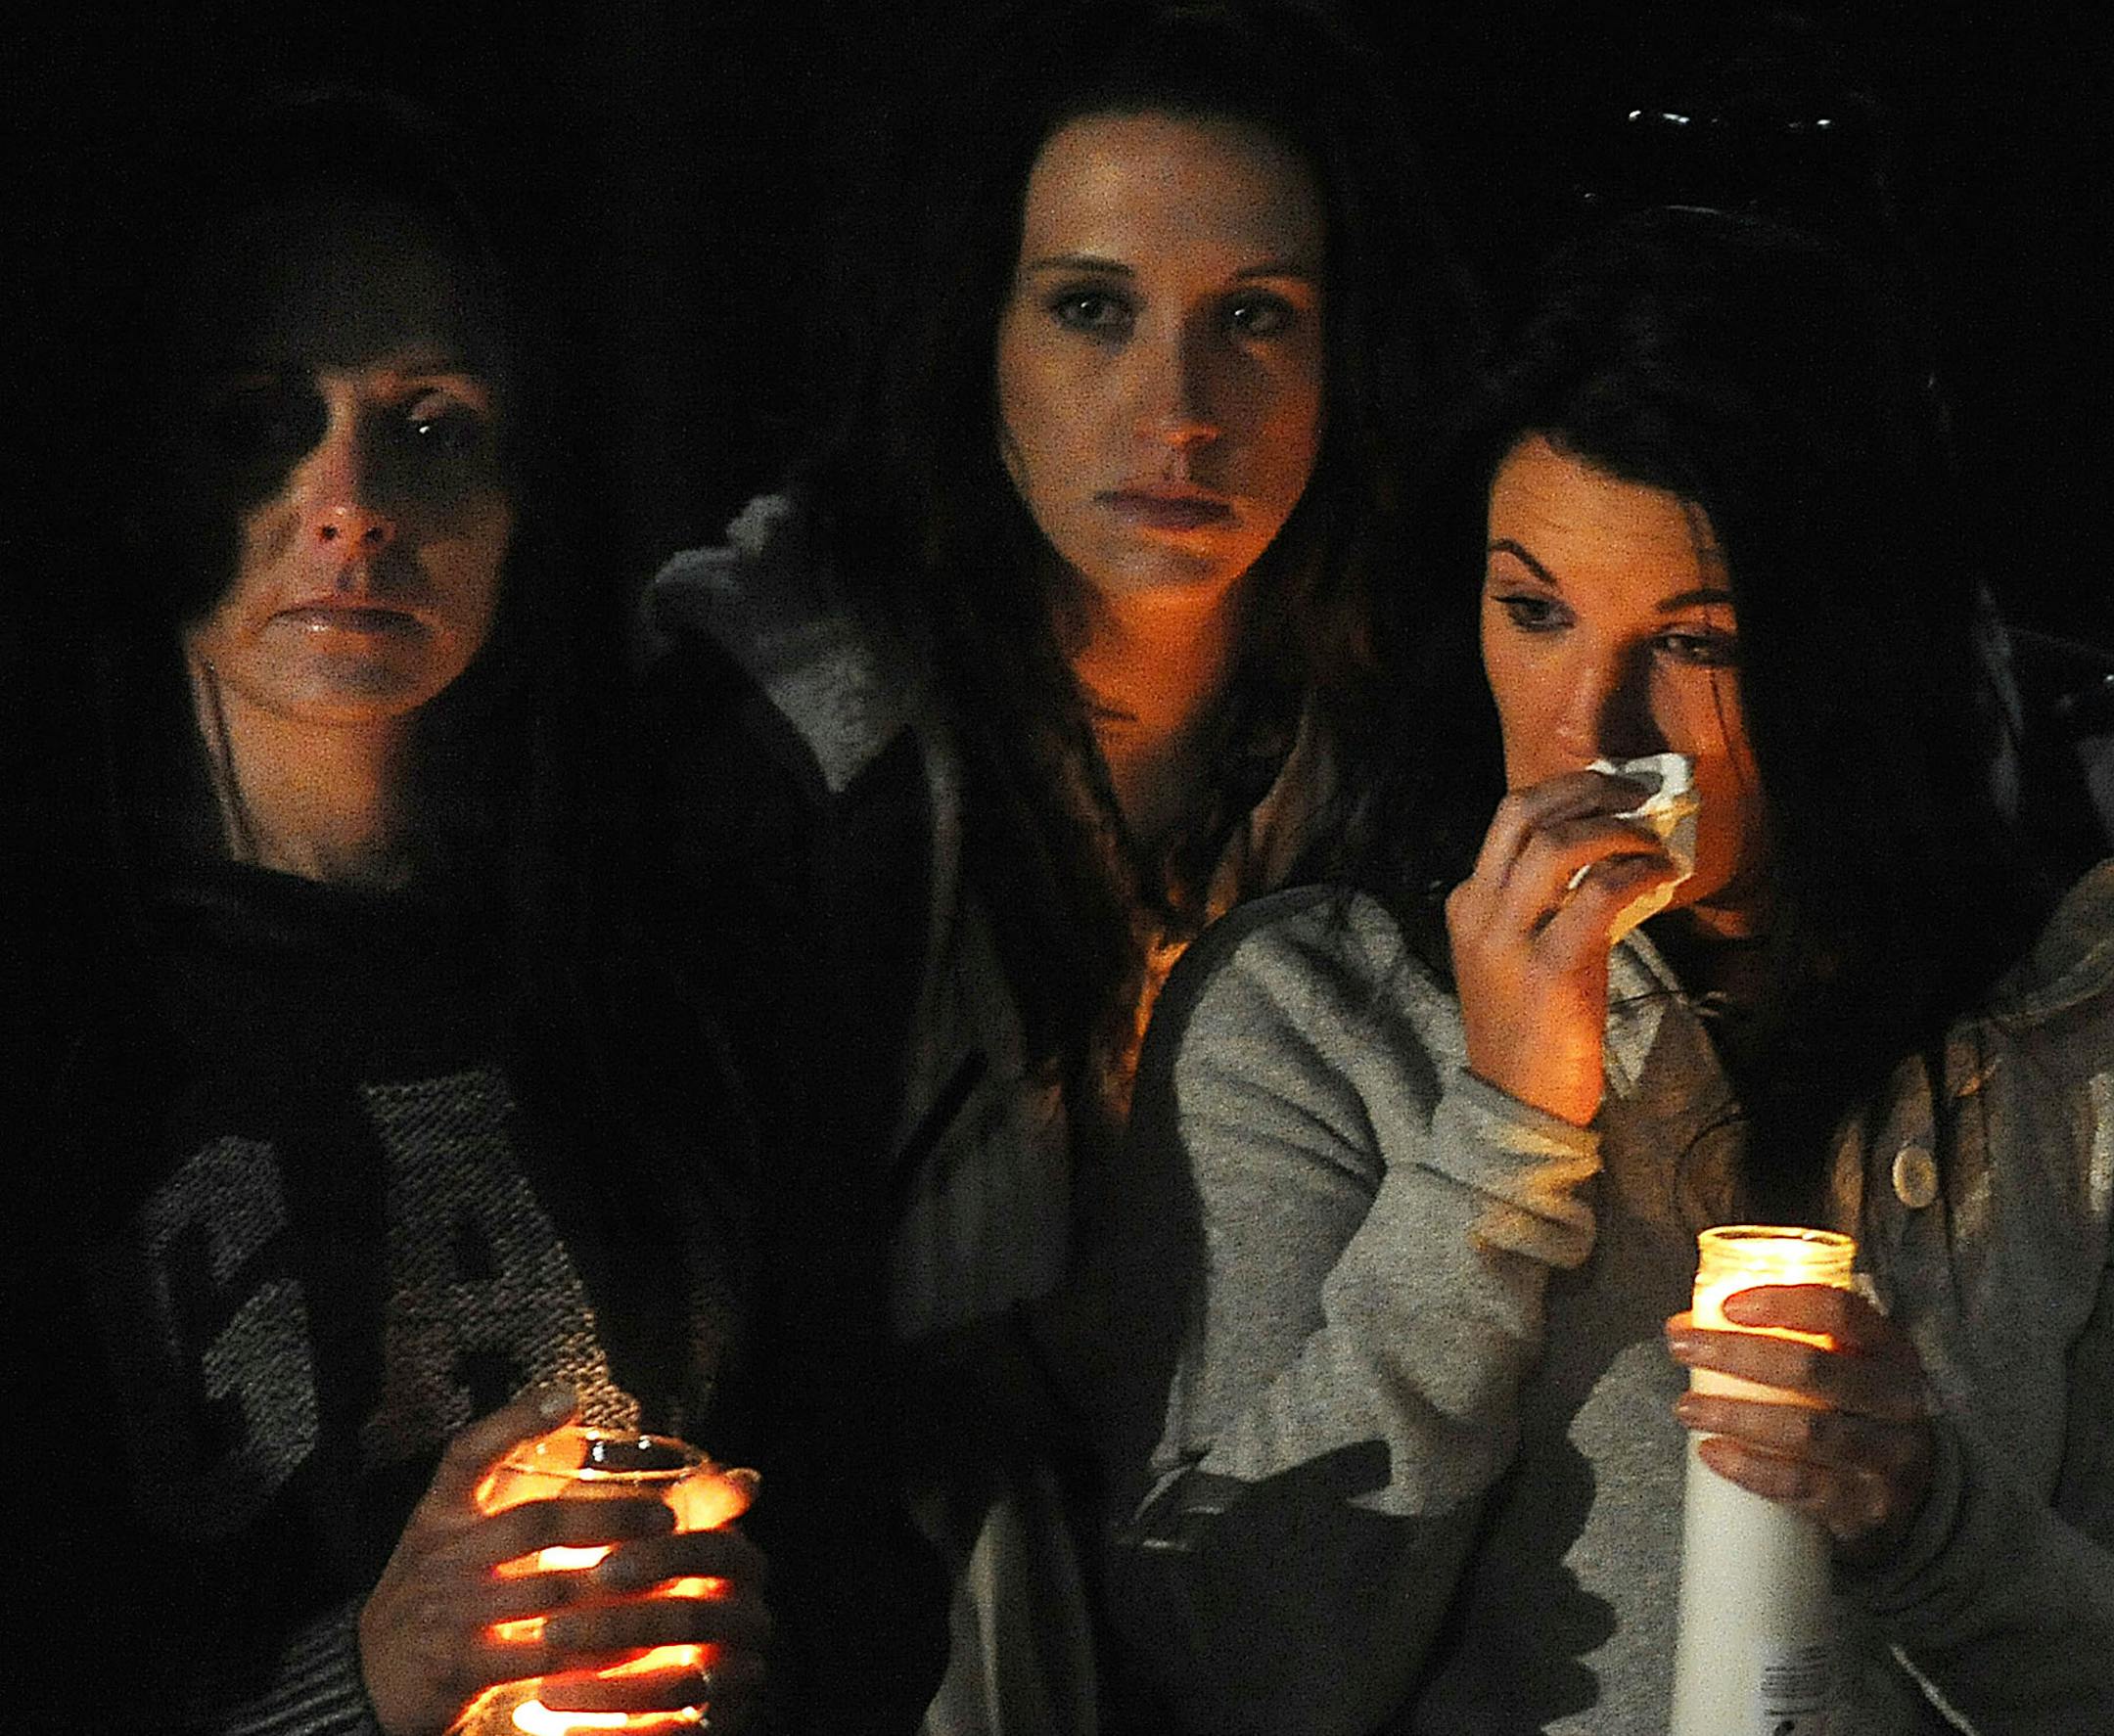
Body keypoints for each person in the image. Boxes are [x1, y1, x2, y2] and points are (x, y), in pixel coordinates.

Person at [1102, 205, 2114, 1734]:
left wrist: (1931, 1521)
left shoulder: (2061, 1025)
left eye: (1697, 642)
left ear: (1846, 647)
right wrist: (1500, 1135)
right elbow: (1252, 1659)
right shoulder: (1313, 1014)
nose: (1595, 729)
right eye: (1537, 611)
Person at [636, 5, 1470, 1729]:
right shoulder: (799, 750)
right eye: (1093, 308)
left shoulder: (1396, 732)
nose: (1179, 407)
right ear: (980, 334)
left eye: (1256, 318)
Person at [19, 93, 768, 1735]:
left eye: (428, 426)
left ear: (521, 491)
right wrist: (358, 1685)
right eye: (257, 421)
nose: (350, 498)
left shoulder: (641, 978)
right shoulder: (72, 1036)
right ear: (147, 475)